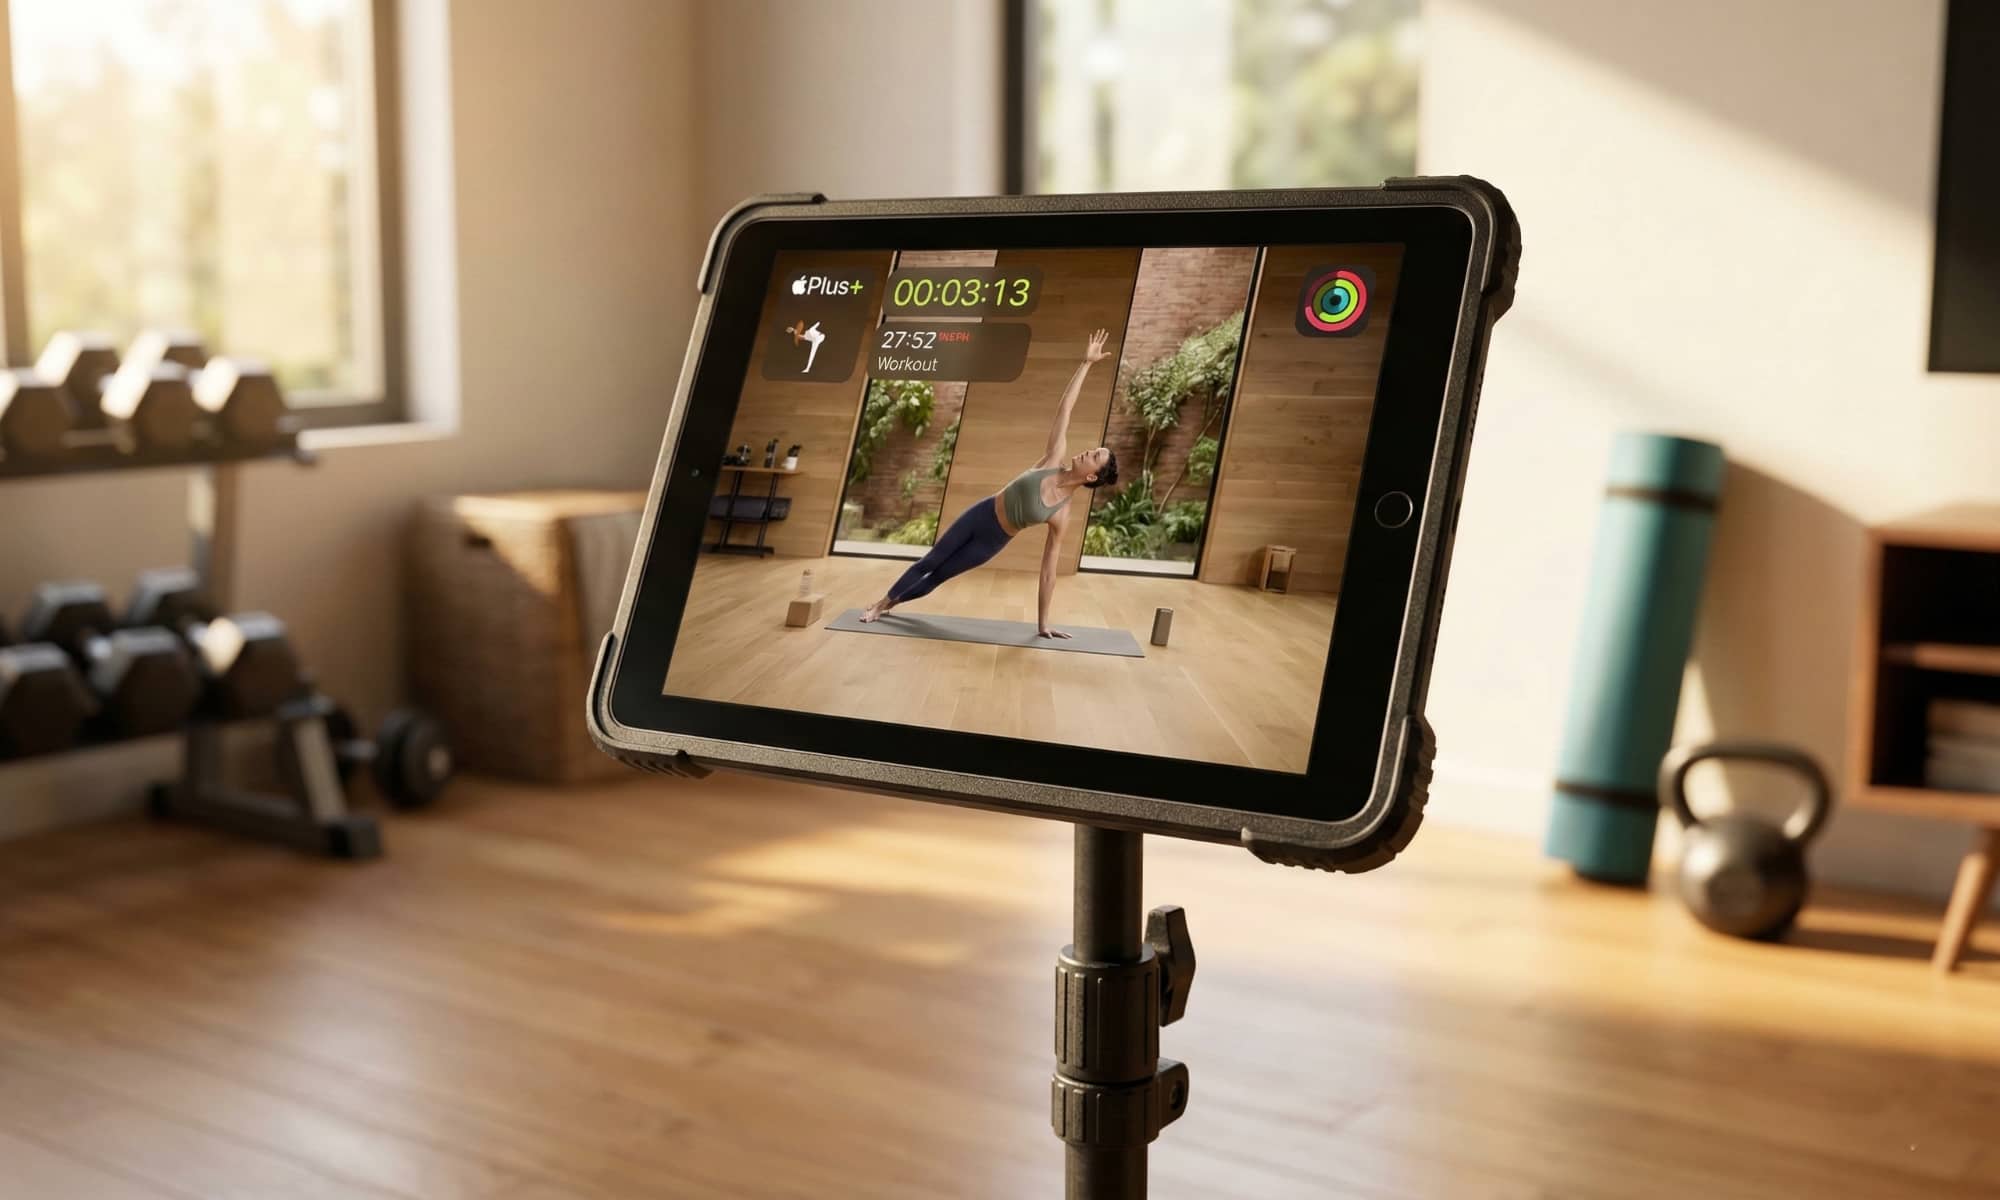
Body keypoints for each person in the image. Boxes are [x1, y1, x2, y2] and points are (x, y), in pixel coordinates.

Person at [860, 330, 1120, 639]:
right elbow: (1065, 408)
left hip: (993, 542)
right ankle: (880, 604)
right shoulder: (1053, 458)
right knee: (931, 560)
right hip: (981, 513)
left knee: (939, 576)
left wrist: (1042, 624)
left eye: (1094, 456)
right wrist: (1086, 364)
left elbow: (1048, 572)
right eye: (1093, 449)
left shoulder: (1061, 515)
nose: (1088, 451)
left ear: (1092, 476)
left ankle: (895, 603)